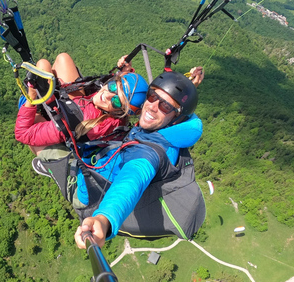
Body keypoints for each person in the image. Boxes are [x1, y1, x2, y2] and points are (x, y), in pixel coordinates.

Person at [72, 70, 203, 249]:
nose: (151, 106)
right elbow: (165, 106)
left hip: (87, 189)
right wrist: (187, 86)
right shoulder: (170, 131)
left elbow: (131, 181)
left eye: (165, 106)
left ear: (176, 119)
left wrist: (104, 218)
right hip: (101, 159)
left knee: (47, 144)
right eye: (151, 96)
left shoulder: (148, 154)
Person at [15, 53, 150, 154]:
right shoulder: (115, 113)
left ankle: (40, 108)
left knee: (42, 66)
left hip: (71, 121)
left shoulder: (84, 124)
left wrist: (31, 99)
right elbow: (124, 95)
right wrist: (126, 72)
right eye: (113, 87)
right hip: (81, 107)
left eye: (115, 101)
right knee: (63, 59)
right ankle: (46, 93)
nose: (106, 95)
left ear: (119, 112)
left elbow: (22, 134)